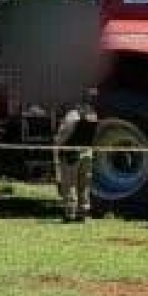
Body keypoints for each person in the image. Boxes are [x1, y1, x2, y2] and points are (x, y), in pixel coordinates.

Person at [53, 89, 98, 222]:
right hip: (88, 153)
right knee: (84, 185)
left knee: (70, 184)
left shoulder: (72, 115)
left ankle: (70, 213)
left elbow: (63, 136)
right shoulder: (93, 114)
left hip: (71, 153)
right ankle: (83, 212)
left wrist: (57, 146)